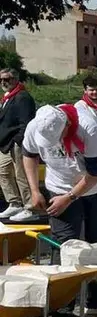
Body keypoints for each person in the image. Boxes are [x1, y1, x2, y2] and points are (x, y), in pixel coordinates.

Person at [21, 104, 97, 311]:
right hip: (59, 188)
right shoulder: (34, 126)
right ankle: (62, 308)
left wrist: (70, 197)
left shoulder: (89, 127)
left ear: (68, 125)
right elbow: (29, 155)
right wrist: (35, 190)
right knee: (63, 245)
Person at [0, 68, 38, 222]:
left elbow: (26, 122)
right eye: (1, 80)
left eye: (7, 79)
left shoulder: (22, 97)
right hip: (5, 143)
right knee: (3, 172)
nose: (3, 82)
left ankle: (30, 207)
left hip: (17, 143)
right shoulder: (7, 97)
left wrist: (18, 140)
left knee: (21, 175)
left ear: (15, 79)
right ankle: (14, 203)